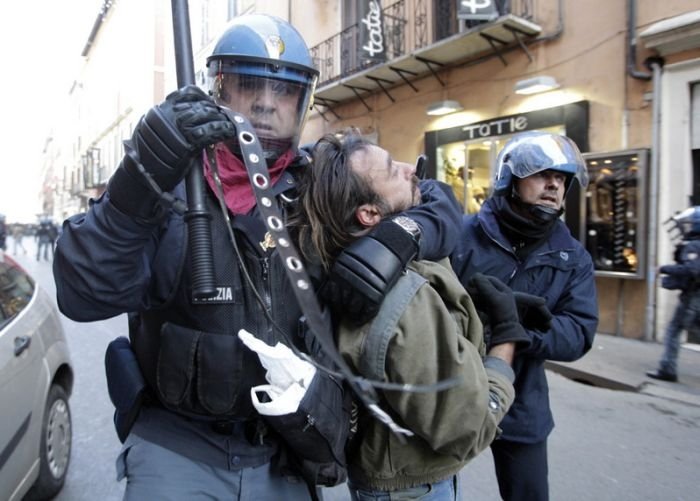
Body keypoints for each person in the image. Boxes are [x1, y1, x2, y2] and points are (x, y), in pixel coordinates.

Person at [53, 14, 461, 500]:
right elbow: (82, 296)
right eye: (249, 85)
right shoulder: (166, 182)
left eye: (283, 92)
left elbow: (433, 197)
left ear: (302, 101)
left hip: (284, 450)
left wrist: (403, 236)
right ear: (220, 89)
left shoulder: (319, 187)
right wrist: (136, 182)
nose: (266, 102)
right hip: (178, 445)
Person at [290, 131, 526, 500]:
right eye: (392, 170)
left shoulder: (341, 266)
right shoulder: (401, 299)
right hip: (413, 489)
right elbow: (470, 426)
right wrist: (507, 343)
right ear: (370, 213)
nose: (411, 170)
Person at [451, 131, 599, 501]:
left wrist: (516, 334)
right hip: (449, 390)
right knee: (427, 490)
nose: (554, 184)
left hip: (521, 399)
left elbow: (578, 332)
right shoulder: (460, 235)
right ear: (510, 179)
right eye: (542, 173)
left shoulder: (572, 256)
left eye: (562, 179)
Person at [646, 206, 700, 382]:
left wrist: (664, 269)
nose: (686, 228)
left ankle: (668, 368)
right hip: (694, 296)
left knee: (674, 330)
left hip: (693, 297)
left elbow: (691, 269)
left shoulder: (694, 245)